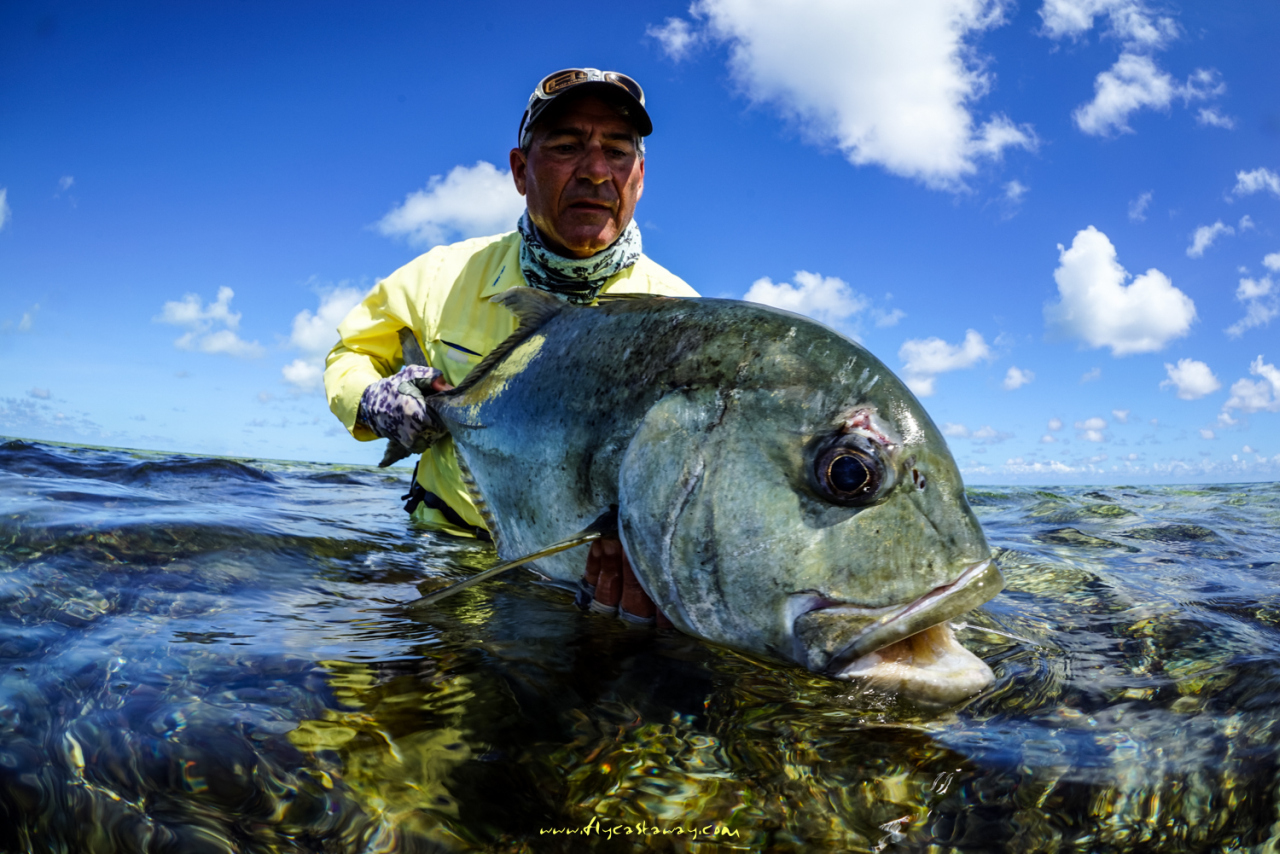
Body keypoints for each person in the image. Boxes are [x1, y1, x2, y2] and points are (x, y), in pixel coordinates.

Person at [324, 68, 697, 626]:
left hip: (588, 589)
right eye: (567, 147)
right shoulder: (442, 275)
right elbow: (350, 353)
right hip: (444, 556)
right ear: (521, 171)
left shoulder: (684, 317)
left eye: (618, 152)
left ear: (639, 176)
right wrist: (372, 401)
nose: (596, 171)